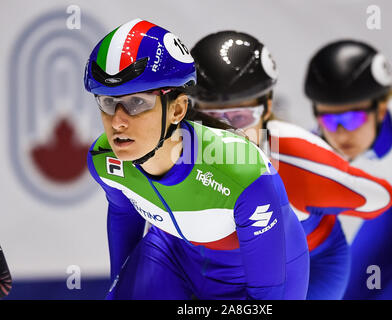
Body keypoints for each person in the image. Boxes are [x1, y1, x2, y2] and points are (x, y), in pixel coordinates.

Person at [84, 19, 310, 300]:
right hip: (176, 257)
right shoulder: (103, 160)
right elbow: (123, 212)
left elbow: (267, 296)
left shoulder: (242, 171)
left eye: (137, 102)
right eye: (107, 102)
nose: (118, 121)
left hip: (264, 278)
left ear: (178, 109)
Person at [191, 31, 392, 300]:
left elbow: (380, 197)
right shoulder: (181, 143)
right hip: (224, 265)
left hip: (309, 267)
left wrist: (316, 199)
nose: (225, 132)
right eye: (209, 118)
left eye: (239, 117)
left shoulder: (297, 159)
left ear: (266, 108)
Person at [304, 39, 392, 299]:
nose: (340, 134)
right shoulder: (321, 144)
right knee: (347, 293)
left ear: (381, 109)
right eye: (328, 119)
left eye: (352, 119)